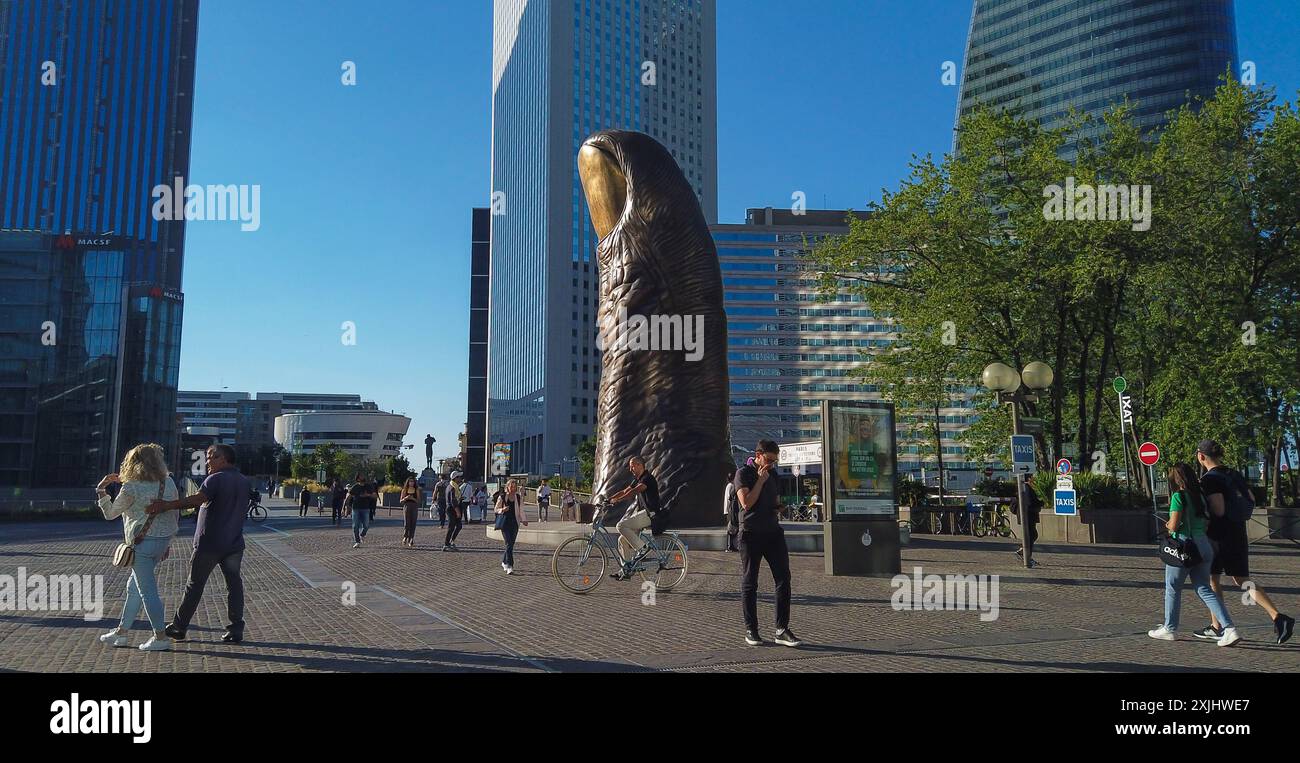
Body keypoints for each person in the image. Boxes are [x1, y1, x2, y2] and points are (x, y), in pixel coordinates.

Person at [147, 443, 251, 644]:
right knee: (234, 585)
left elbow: (197, 500)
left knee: (194, 585)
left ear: (224, 459)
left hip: (209, 544)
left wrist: (166, 505)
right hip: (234, 544)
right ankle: (236, 628)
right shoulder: (243, 480)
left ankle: (179, 626)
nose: (207, 461)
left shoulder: (215, 479)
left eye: (211, 457)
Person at [1197, 440, 1294, 644]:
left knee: (1212, 579)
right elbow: (1250, 497)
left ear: (1201, 456)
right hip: (1238, 531)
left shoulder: (1209, 479)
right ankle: (1277, 616)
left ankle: (1219, 626)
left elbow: (1219, 510)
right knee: (1242, 579)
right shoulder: (1233, 473)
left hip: (1218, 535)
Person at [96, 444, 181, 652]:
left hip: (141, 544)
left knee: (147, 591)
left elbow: (111, 514)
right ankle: (121, 633)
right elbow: (174, 512)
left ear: (132, 462)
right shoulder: (167, 482)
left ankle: (160, 637)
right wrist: (168, 541)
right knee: (133, 588)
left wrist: (101, 491)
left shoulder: (131, 486)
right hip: (161, 541)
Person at [1149, 463, 1240, 645]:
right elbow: (1205, 522)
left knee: (1173, 587)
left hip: (1183, 546)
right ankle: (1229, 628)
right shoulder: (1199, 496)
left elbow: (1174, 525)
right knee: (1204, 588)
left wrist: (1167, 525)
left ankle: (1170, 628)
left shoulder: (1178, 496)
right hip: (1203, 545)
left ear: (1175, 479)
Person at [735, 440, 801, 648]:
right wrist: (760, 481)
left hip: (773, 532)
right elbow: (746, 503)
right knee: (750, 582)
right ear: (759, 455)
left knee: (784, 578)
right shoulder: (743, 474)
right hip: (751, 533)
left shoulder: (774, 475)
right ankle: (751, 630)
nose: (772, 464)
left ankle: (781, 629)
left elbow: (773, 502)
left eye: (775, 461)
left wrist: (780, 507)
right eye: (769, 459)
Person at [607, 456, 659, 579]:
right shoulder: (638, 479)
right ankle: (626, 570)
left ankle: (642, 548)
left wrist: (617, 500)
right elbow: (626, 491)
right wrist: (608, 500)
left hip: (650, 513)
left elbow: (634, 491)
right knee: (622, 540)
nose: (630, 469)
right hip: (643, 513)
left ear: (640, 465)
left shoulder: (647, 478)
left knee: (620, 525)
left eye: (632, 465)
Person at [495, 478, 529, 574]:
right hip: (505, 523)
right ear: (507, 487)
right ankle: (510, 565)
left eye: (515, 487)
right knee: (508, 543)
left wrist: (524, 519)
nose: (513, 488)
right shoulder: (502, 497)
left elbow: (521, 509)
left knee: (511, 545)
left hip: (514, 523)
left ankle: (504, 561)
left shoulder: (518, 497)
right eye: (511, 486)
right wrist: (502, 509)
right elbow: (496, 509)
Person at [1011, 478, 1042, 567]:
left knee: (1032, 535)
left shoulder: (1023, 486)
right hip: (1028, 514)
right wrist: (1040, 503)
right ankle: (1026, 557)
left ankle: (1024, 553)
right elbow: (1029, 502)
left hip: (1027, 514)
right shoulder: (1025, 487)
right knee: (1031, 535)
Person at [347, 473, 371, 548]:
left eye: (363, 475)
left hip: (365, 508)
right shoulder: (355, 487)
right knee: (355, 526)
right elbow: (348, 497)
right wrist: (346, 507)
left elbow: (374, 495)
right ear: (357, 479)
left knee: (366, 525)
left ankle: (362, 534)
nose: (362, 477)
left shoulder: (368, 486)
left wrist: (367, 495)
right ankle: (357, 541)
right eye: (361, 476)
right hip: (356, 508)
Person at [443, 472, 466, 551]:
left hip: (454, 508)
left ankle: (451, 541)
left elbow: (455, 498)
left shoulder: (454, 486)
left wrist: (460, 499)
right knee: (451, 527)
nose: (460, 478)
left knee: (458, 526)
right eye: (459, 477)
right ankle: (446, 544)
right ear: (455, 478)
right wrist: (457, 511)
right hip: (452, 509)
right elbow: (453, 501)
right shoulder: (452, 487)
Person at [399, 477, 422, 547]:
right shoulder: (404, 490)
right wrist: (406, 498)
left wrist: (413, 499)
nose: (411, 483)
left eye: (412, 481)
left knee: (413, 522)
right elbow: (401, 501)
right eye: (410, 482)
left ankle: (411, 538)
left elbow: (419, 501)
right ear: (407, 482)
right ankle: (405, 536)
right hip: (407, 506)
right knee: (407, 523)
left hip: (414, 506)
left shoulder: (416, 490)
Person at [723, 468, 739, 552]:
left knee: (733, 528)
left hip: (729, 510)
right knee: (731, 529)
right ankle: (729, 546)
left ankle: (732, 546)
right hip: (730, 510)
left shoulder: (730, 485)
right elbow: (730, 500)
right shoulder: (731, 486)